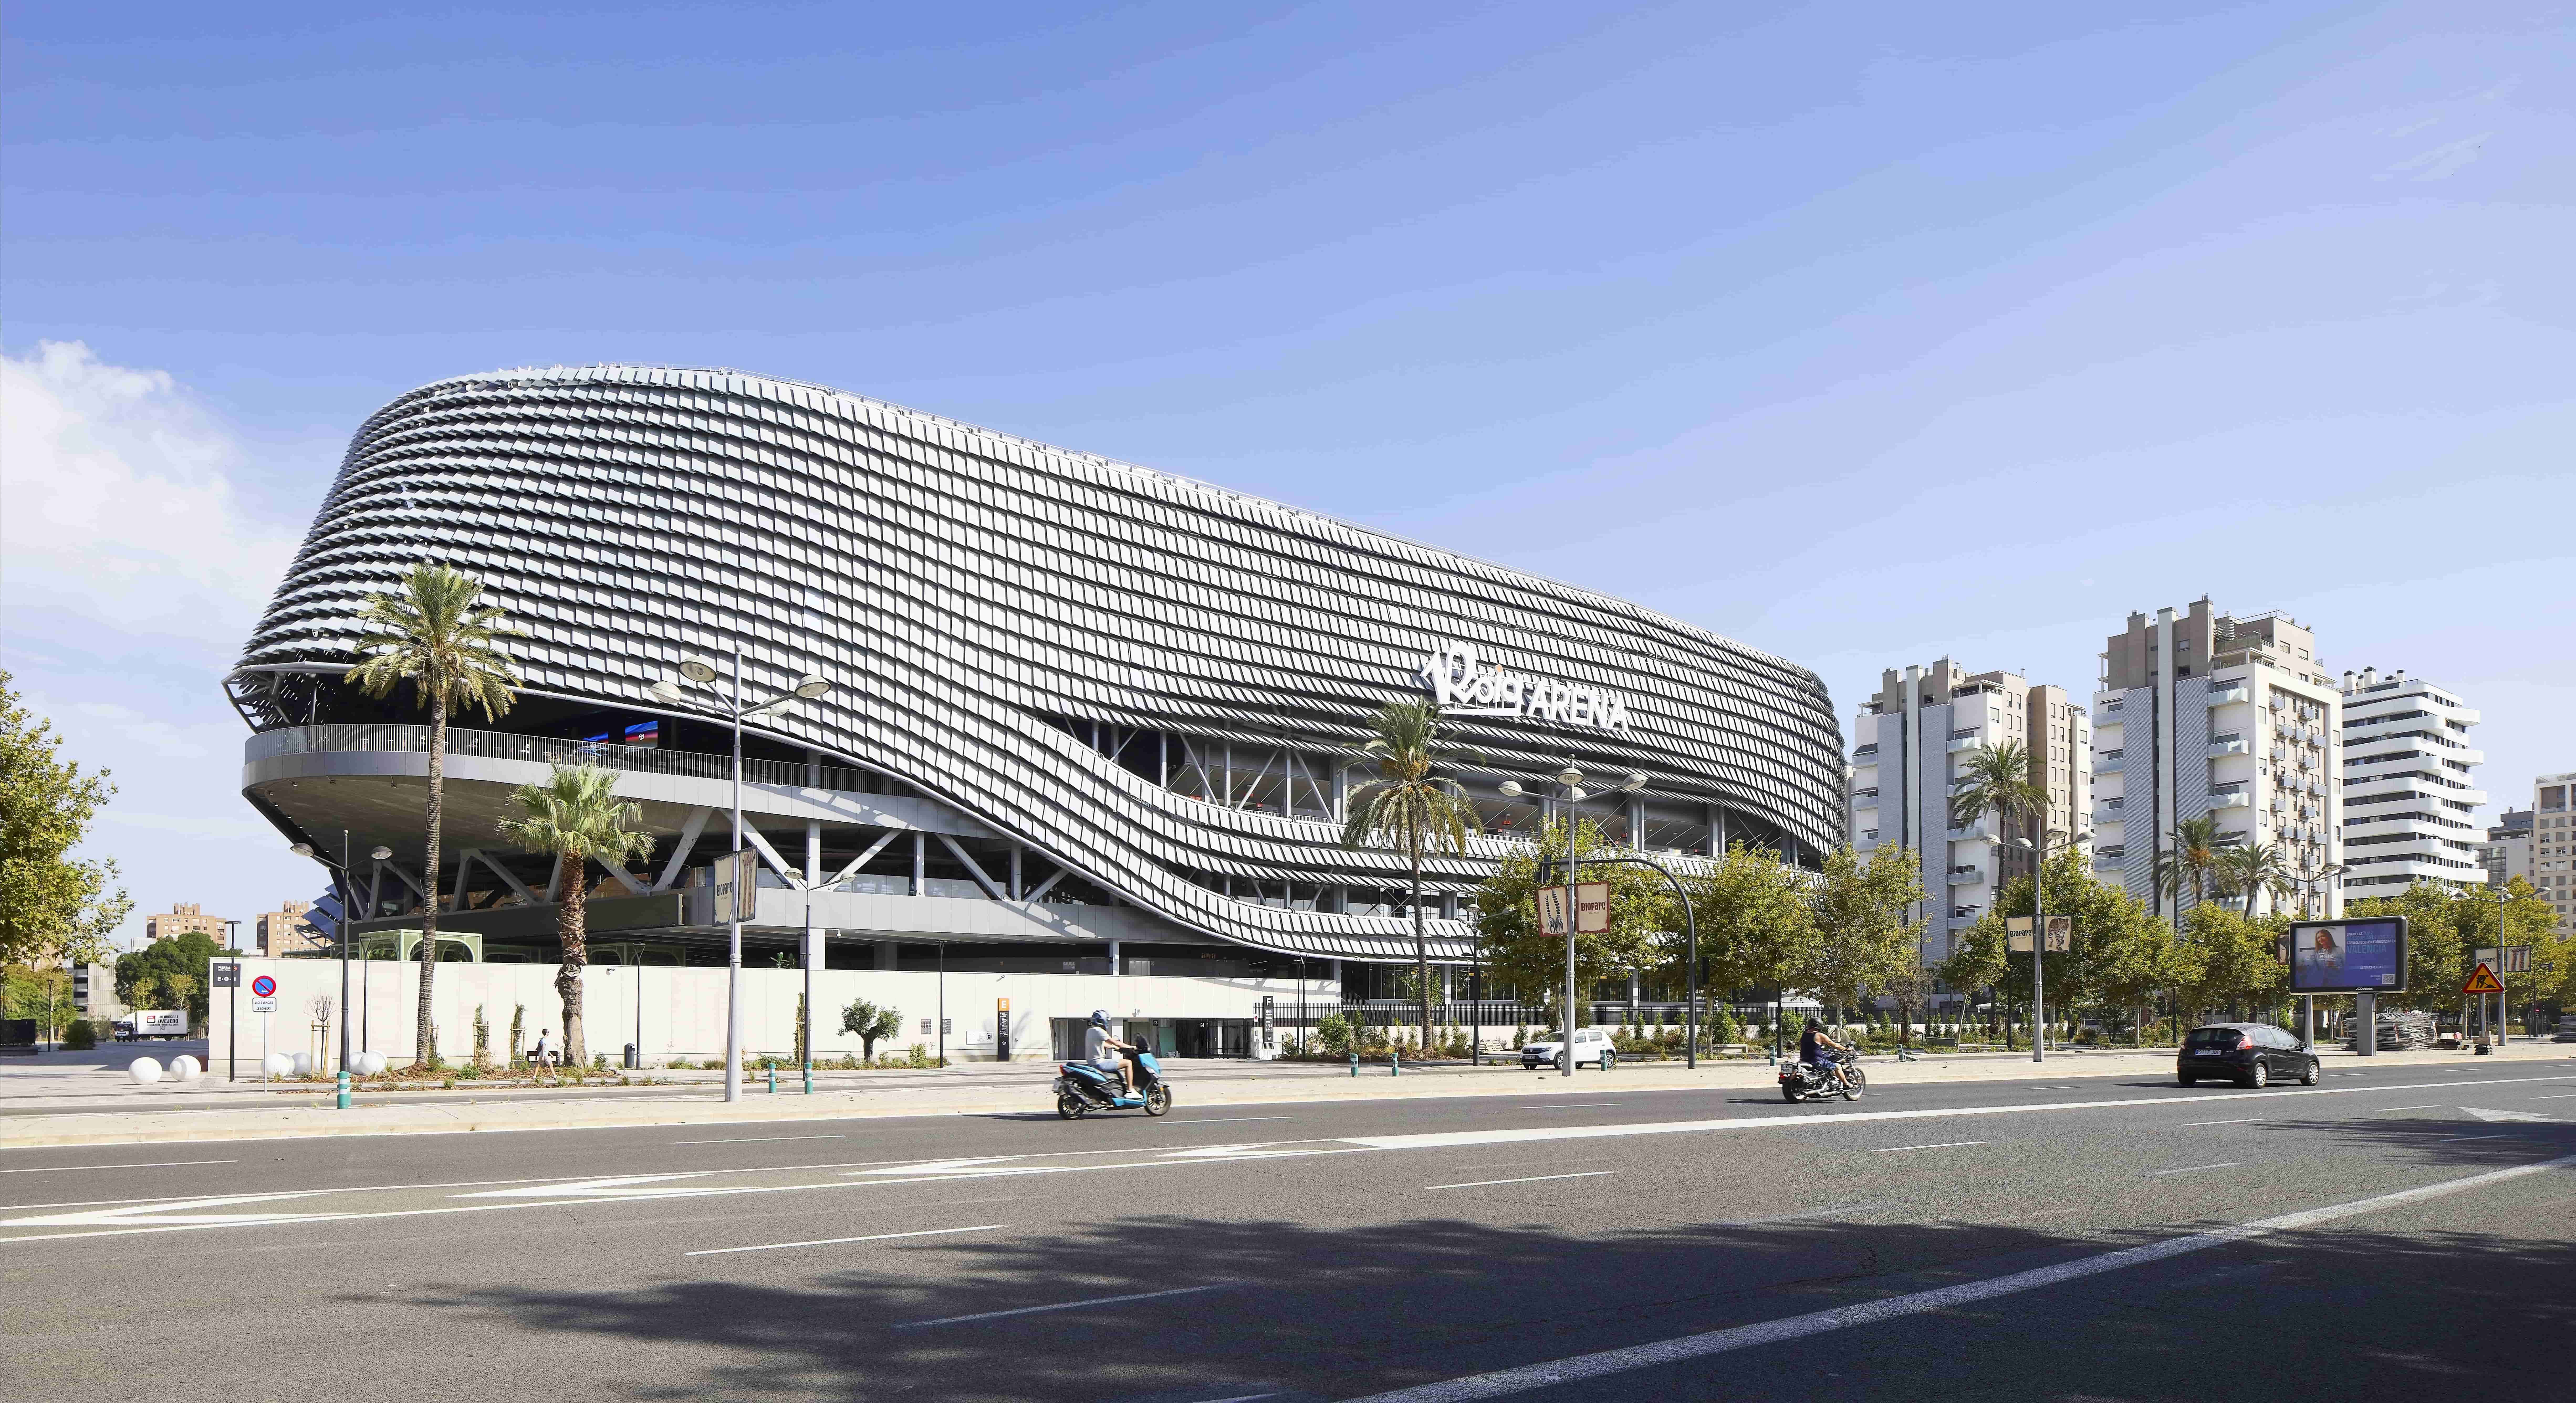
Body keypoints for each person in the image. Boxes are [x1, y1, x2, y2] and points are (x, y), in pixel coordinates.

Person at [1084, 1009, 1139, 1097]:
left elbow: (1103, 1044)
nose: (1108, 1023)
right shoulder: (1099, 1031)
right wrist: (1131, 1047)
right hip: (1100, 1063)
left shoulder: (1090, 1031)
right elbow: (1116, 1042)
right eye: (1107, 1020)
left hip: (1093, 1063)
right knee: (1128, 1063)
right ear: (1102, 1020)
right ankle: (1130, 1091)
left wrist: (1115, 1048)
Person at [1800, 1016, 1850, 1089]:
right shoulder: (1819, 1035)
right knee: (1838, 1066)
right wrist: (1846, 1049)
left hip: (1804, 1061)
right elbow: (1834, 1045)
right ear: (1819, 1025)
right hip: (1816, 1062)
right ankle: (1847, 1084)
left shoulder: (1805, 1034)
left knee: (1828, 1061)